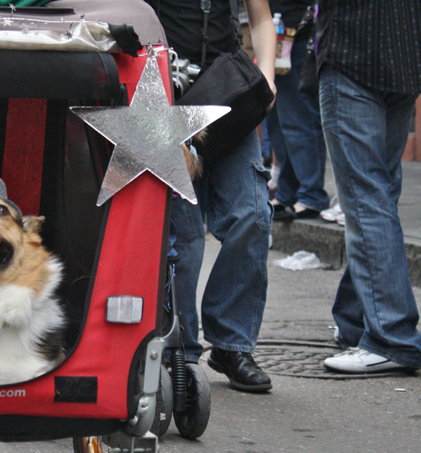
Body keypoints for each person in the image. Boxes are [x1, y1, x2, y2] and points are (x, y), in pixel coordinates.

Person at [148, 0, 276, 392]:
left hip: (229, 93)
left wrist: (267, 78)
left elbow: (261, 18)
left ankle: (231, 344)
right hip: (165, 96)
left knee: (252, 214)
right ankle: (180, 352)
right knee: (183, 235)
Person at [316, 1, 421, 374]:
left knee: (366, 201)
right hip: (404, 60)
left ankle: (391, 337)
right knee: (378, 195)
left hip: (353, 55)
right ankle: (355, 322)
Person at [268, 0, 329, 221]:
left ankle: (311, 194)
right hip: (275, 31)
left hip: (298, 32)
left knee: (299, 120)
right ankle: (287, 192)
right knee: (279, 122)